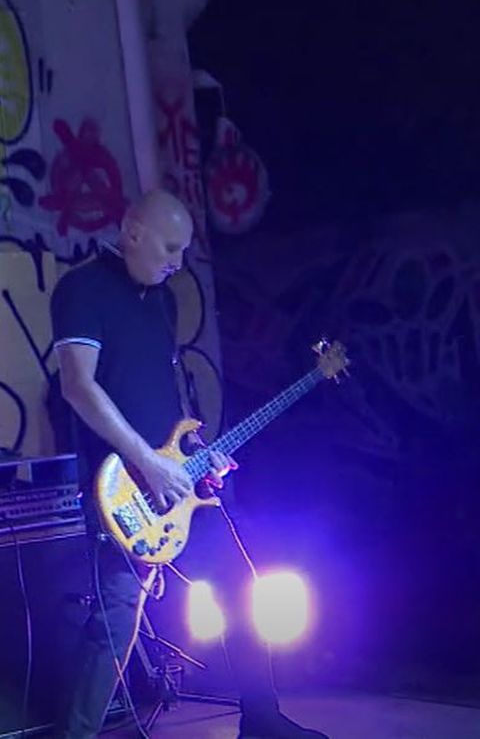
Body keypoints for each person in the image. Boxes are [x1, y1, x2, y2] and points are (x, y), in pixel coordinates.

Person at [48, 189, 326, 739]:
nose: (177, 262)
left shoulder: (163, 301)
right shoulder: (82, 289)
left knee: (240, 585)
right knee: (117, 618)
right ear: (133, 233)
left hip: (178, 481)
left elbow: (164, 401)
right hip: (122, 485)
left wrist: (196, 453)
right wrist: (146, 463)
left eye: (183, 250)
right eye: (169, 248)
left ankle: (262, 720)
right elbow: (78, 386)